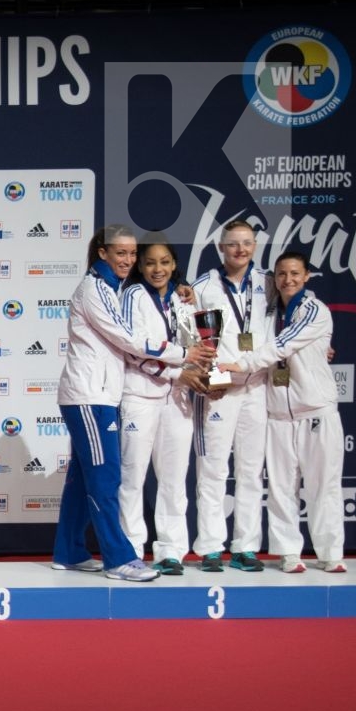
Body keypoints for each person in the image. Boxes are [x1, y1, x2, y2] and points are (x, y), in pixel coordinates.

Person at [52, 225, 204, 581]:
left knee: (83, 479)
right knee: (106, 479)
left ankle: (69, 551)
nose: (128, 260)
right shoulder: (96, 288)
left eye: (132, 254)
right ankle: (119, 558)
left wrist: (182, 292)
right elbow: (129, 339)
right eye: (121, 253)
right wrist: (182, 356)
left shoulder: (112, 288)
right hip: (90, 396)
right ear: (102, 252)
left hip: (103, 394)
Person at [216, 251, 346, 573]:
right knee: (280, 488)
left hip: (316, 410)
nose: (289, 280)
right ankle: (288, 552)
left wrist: (242, 364)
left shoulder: (315, 310)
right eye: (282, 274)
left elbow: (281, 345)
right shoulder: (268, 313)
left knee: (323, 485)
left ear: (306, 276)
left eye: (295, 273)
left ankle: (330, 553)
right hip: (277, 413)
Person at [117, 236, 205, 576]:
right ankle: (130, 549)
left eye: (165, 262)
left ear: (174, 264)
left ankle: (171, 550)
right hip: (140, 397)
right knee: (132, 477)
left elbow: (195, 345)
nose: (158, 269)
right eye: (151, 262)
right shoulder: (133, 296)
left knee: (173, 479)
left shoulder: (182, 300)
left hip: (178, 399)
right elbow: (133, 348)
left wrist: (204, 377)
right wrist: (176, 372)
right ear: (140, 265)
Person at [191, 218, 271, 573]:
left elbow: (295, 317)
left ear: (255, 246)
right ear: (221, 247)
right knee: (213, 469)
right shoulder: (202, 286)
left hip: (257, 385)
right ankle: (211, 547)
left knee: (251, 471)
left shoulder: (269, 283)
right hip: (220, 387)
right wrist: (211, 376)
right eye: (234, 243)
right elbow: (189, 337)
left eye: (247, 243)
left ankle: (246, 547)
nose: (241, 249)